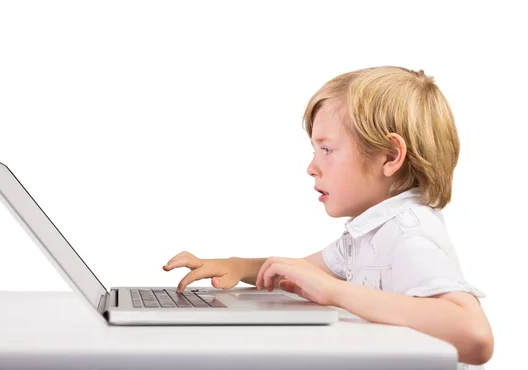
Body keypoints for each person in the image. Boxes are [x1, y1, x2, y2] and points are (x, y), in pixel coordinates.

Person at [162, 66, 494, 368]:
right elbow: (299, 273)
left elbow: (476, 337)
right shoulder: (367, 234)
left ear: (391, 156)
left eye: (327, 150)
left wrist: (335, 291)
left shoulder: (408, 234)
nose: (312, 167)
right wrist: (238, 265)